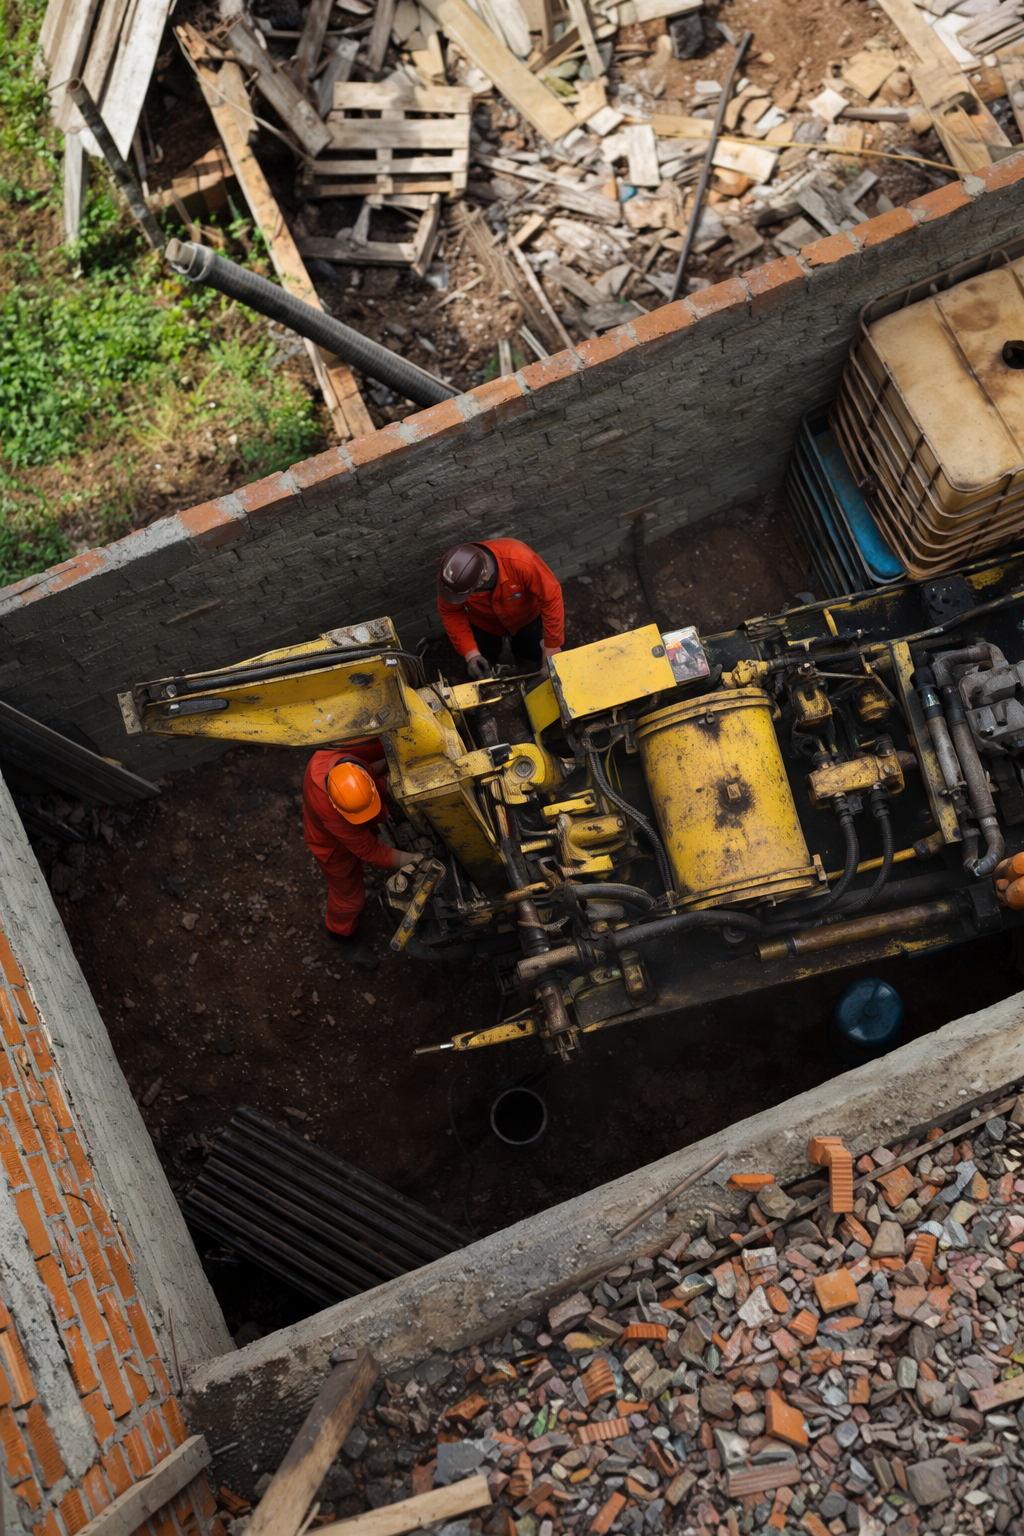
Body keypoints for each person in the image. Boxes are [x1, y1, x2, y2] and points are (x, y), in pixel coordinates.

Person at [302, 739, 421, 971]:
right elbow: (369, 850)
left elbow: (369, 765)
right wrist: (413, 861)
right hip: (332, 847)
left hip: (352, 811)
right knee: (349, 899)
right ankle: (340, 936)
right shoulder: (331, 810)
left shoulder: (337, 758)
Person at [436, 539, 564, 679]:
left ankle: (526, 669)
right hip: (484, 623)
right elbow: (450, 611)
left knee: (530, 655)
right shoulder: (452, 579)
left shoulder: (521, 560)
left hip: (527, 618)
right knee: (482, 664)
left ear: (483, 579)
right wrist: (470, 653)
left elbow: (551, 597)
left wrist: (551, 646)